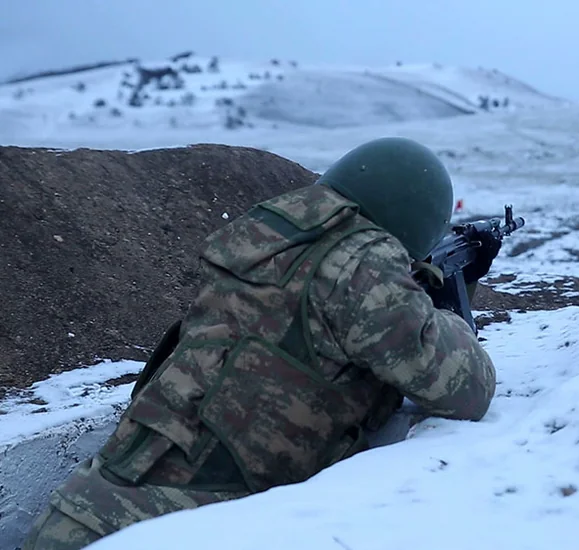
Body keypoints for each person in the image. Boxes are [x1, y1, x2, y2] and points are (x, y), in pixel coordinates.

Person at [22, 137, 498, 550]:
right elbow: (467, 388)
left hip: (79, 510)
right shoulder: (363, 267)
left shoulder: (266, 240)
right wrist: (440, 299)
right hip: (156, 532)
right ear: (415, 219)